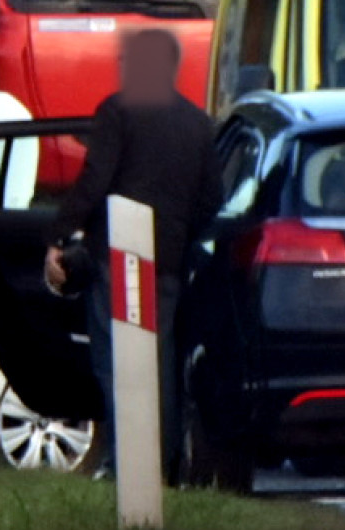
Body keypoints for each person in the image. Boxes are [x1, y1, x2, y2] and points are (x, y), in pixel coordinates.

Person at [45, 28, 221, 481]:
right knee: (160, 363)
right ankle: (162, 466)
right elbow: (210, 201)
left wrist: (59, 234)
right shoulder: (198, 123)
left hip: (119, 259)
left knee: (115, 363)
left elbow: (94, 181)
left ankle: (124, 465)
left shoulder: (117, 112)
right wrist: (181, 239)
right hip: (169, 262)